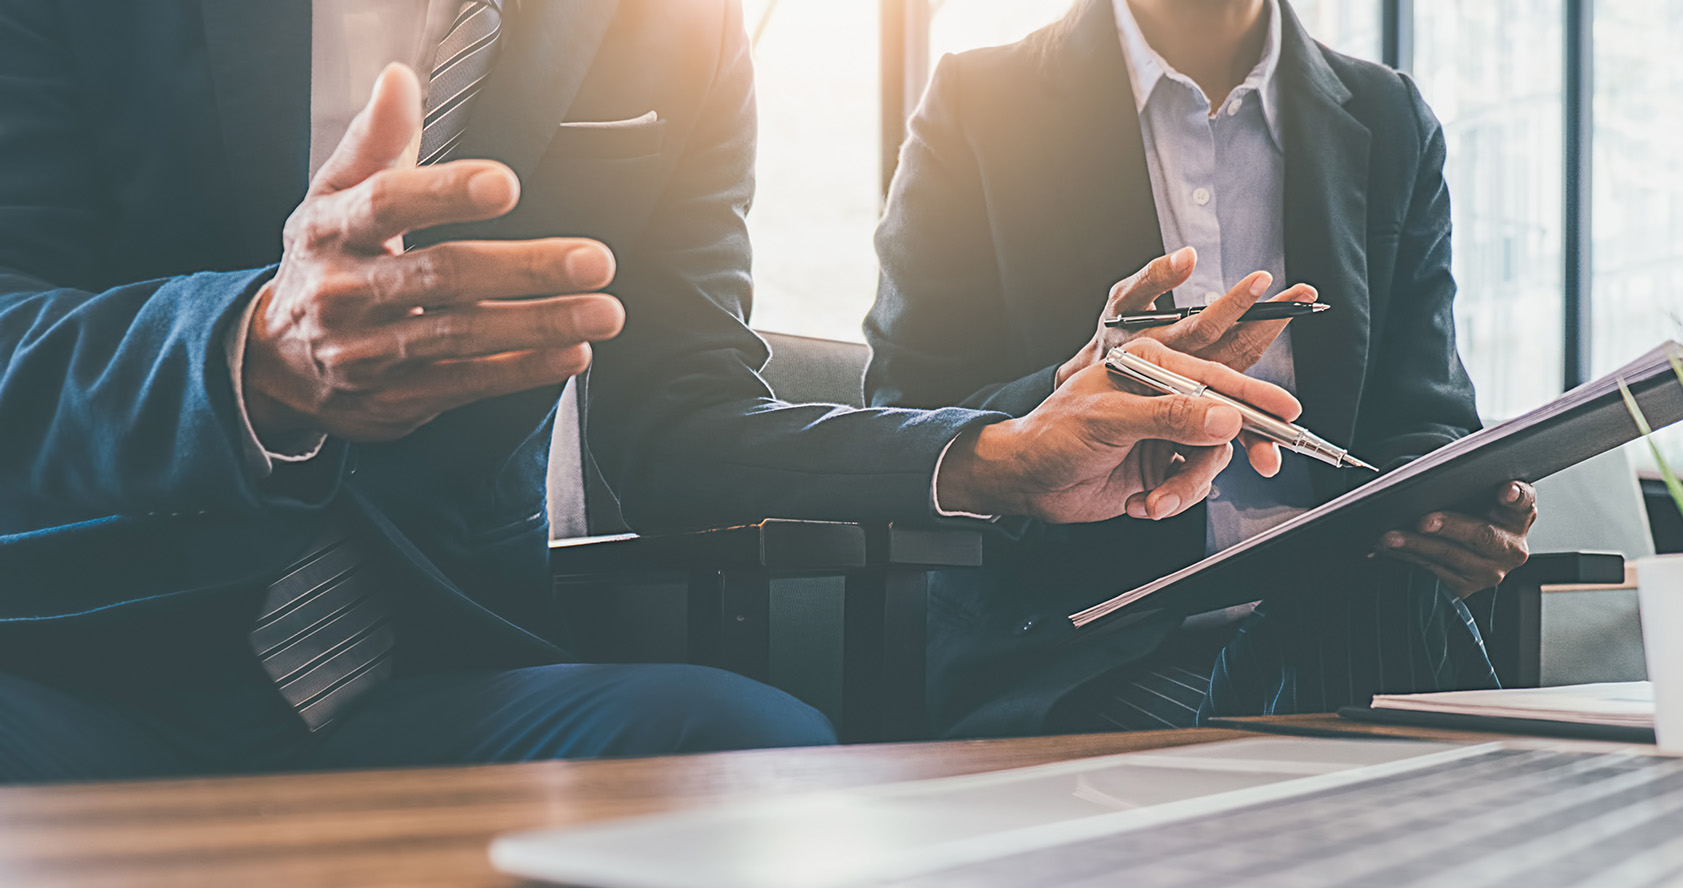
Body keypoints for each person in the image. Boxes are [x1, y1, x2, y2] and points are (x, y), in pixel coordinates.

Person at [0, 0, 1284, 783]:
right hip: (81, 655)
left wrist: (993, 450)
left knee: (754, 753)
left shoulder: (671, 21)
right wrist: (254, 354)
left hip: (432, 664)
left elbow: (680, 408)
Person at [865, 0, 1540, 738]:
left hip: (1355, 611)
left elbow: (1425, 416)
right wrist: (1072, 394)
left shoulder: (1390, 118)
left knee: (1369, 606)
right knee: (1400, 673)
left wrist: (1453, 523)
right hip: (1085, 654)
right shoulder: (980, 104)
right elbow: (909, 411)